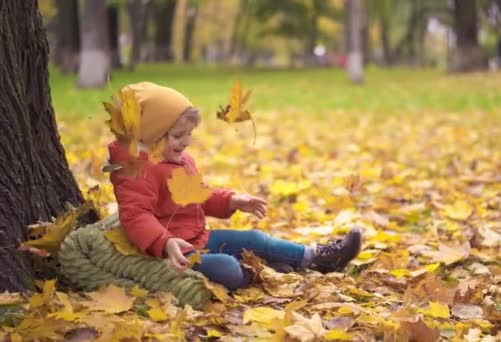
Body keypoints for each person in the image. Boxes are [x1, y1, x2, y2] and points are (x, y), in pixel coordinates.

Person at [107, 82, 362, 291]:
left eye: (189, 133)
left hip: (199, 238)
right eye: (178, 136)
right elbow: (136, 214)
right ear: (150, 136)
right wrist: (164, 242)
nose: (188, 141)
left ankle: (317, 257)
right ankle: (258, 273)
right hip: (175, 254)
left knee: (255, 238)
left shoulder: (178, 160)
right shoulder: (136, 171)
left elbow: (197, 195)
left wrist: (231, 200)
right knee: (226, 268)